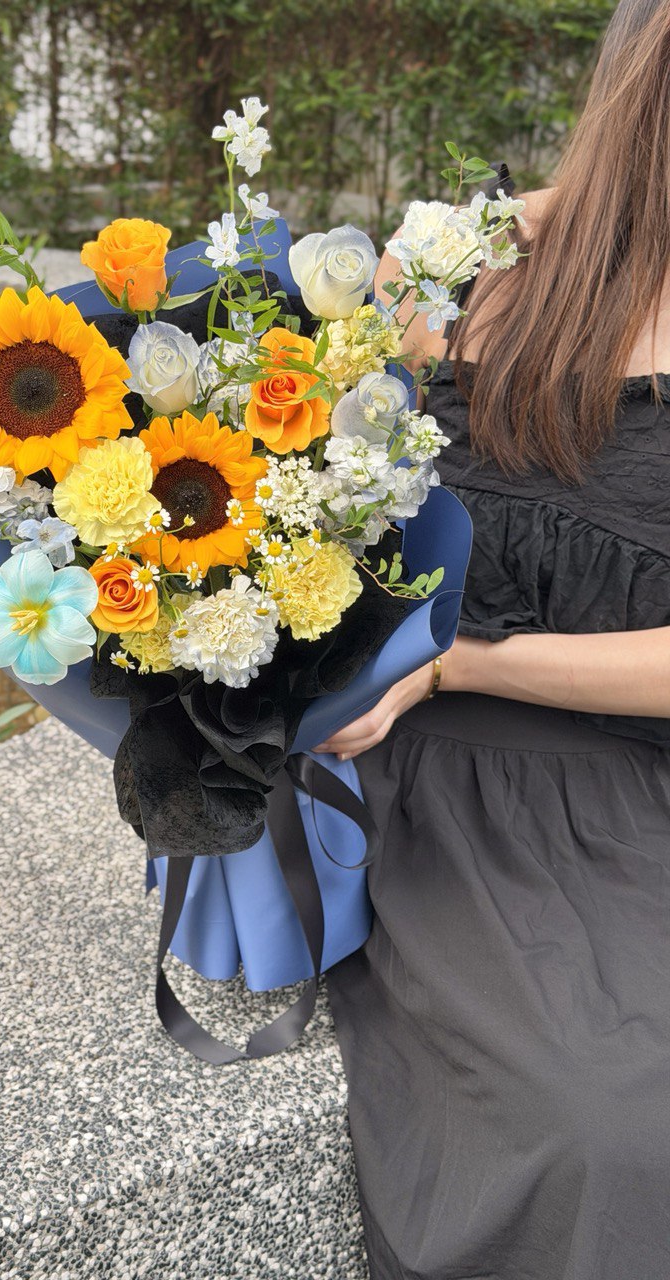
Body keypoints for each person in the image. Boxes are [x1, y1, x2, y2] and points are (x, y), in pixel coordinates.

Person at [317, 2, 670, 1276]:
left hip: (628, 766)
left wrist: (457, 659)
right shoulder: (457, 256)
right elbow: (336, 498)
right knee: (611, 1120)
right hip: (460, 792)